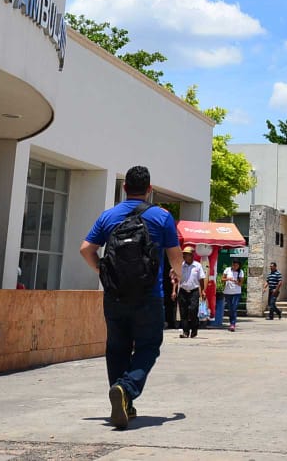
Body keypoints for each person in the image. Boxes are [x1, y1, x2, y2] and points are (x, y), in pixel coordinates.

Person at [80, 165, 181, 431]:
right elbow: (175, 256)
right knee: (149, 346)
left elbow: (86, 249)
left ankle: (124, 400)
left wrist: (103, 273)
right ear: (149, 189)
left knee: (117, 348)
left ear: (124, 188)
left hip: (115, 296)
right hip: (149, 296)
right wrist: (178, 274)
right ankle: (126, 389)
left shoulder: (108, 216)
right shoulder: (162, 216)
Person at [176, 245, 206, 339]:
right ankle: (185, 332)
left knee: (193, 310)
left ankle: (194, 329)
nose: (185, 256)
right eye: (184, 254)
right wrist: (174, 290)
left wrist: (203, 291)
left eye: (187, 254)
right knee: (183, 312)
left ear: (192, 255)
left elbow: (201, 279)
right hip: (183, 291)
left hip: (194, 291)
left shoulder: (197, 265)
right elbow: (176, 278)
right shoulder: (181, 265)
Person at [220, 260, 245, 331]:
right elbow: (222, 279)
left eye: (237, 266)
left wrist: (236, 282)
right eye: (234, 265)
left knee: (234, 308)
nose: (235, 267)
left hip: (236, 292)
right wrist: (228, 279)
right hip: (228, 292)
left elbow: (241, 283)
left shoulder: (241, 272)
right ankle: (231, 322)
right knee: (230, 309)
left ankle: (233, 324)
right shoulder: (227, 270)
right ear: (232, 265)